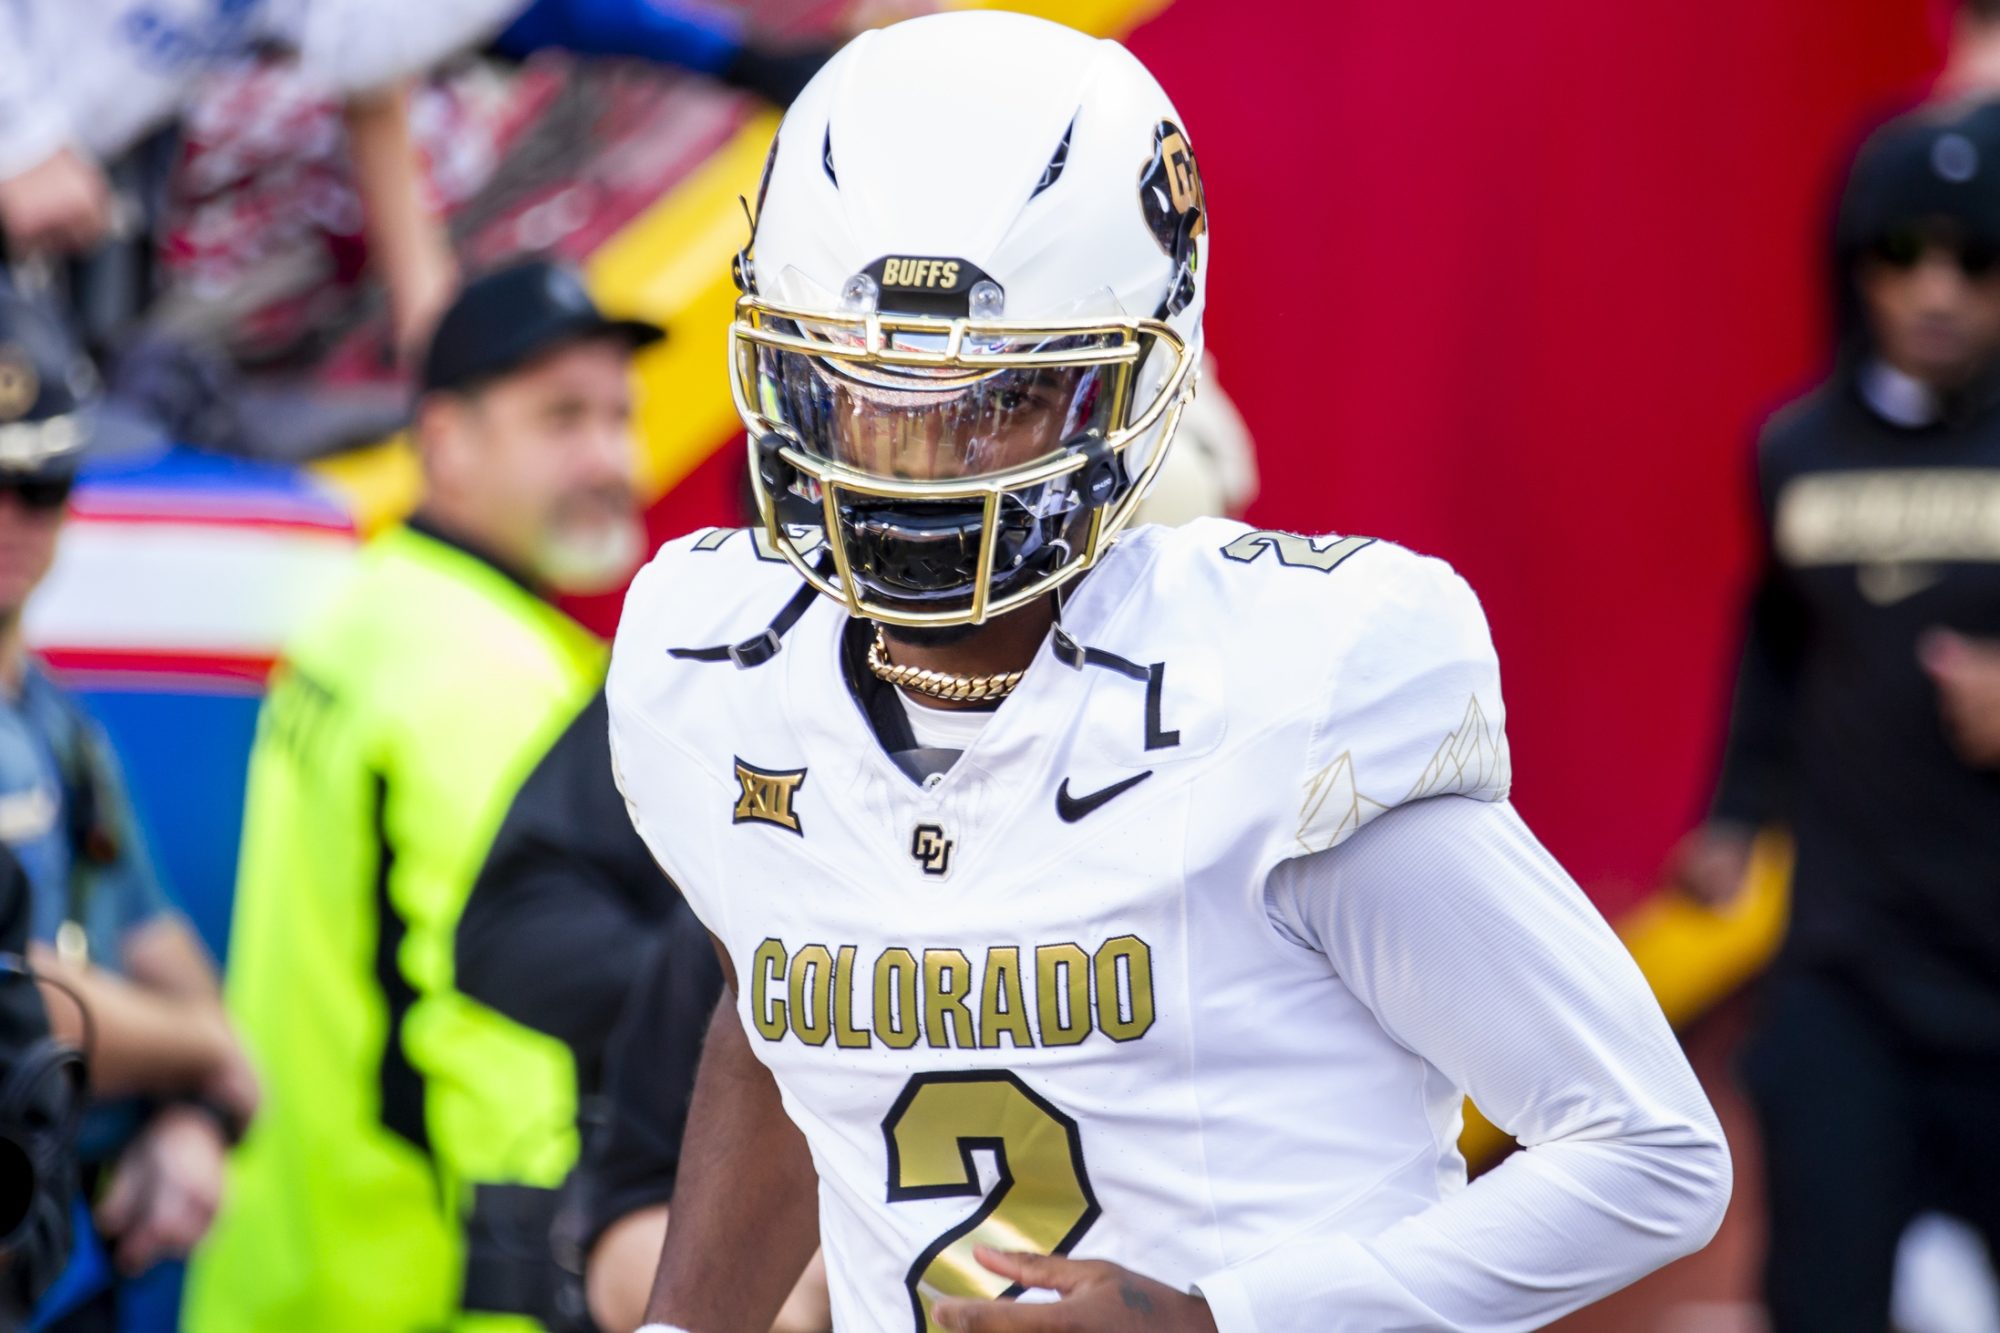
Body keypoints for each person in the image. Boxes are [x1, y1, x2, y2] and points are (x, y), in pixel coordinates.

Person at [607, 13, 1731, 1333]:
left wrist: (1219, 1319)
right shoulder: (715, 656)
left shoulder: (1284, 689)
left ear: (1140, 382)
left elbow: (1652, 1156)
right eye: (864, 389)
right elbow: (784, 987)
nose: (915, 465)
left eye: (996, 401)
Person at [184, 258, 656, 1332]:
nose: (610, 458)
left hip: (278, 1268)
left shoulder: (362, 611)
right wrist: (538, 1287)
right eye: (561, 419)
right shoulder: (488, 679)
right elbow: (499, 1022)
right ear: (444, 442)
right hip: (428, 1294)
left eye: (618, 416)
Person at [1673, 98, 2000, 1333]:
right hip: (1849, 968)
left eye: (1973, 258)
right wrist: (1734, 812)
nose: (1933, 290)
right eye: (1898, 253)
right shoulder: (1794, 450)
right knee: (1819, 1292)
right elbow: (1775, 647)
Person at [0, 288, 256, 1332]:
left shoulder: (58, 722)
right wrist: (208, 1058)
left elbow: (164, 952)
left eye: (44, 484)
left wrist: (198, 1114)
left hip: (69, 1267)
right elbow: (28, 1003)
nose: (15, 518)